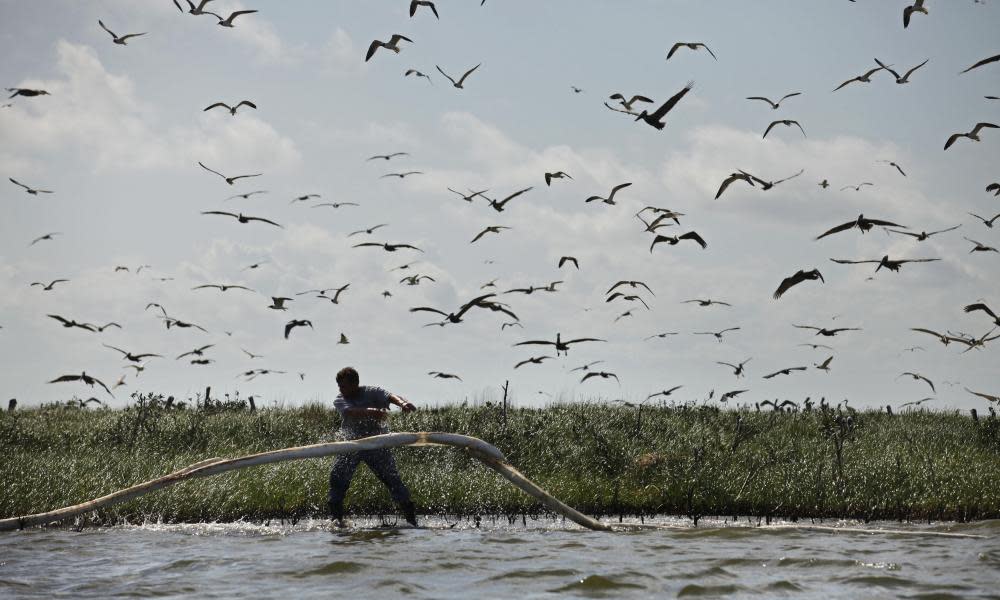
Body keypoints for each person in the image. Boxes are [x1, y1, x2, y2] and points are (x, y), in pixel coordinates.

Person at [328, 366, 418, 527]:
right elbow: (350, 412)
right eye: (339, 386)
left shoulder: (371, 392)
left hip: (376, 444)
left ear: (355, 384)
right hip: (351, 445)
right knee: (336, 480)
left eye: (344, 386)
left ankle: (412, 522)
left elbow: (389, 396)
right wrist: (371, 411)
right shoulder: (340, 399)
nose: (341, 390)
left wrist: (403, 403)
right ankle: (337, 522)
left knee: (393, 480)